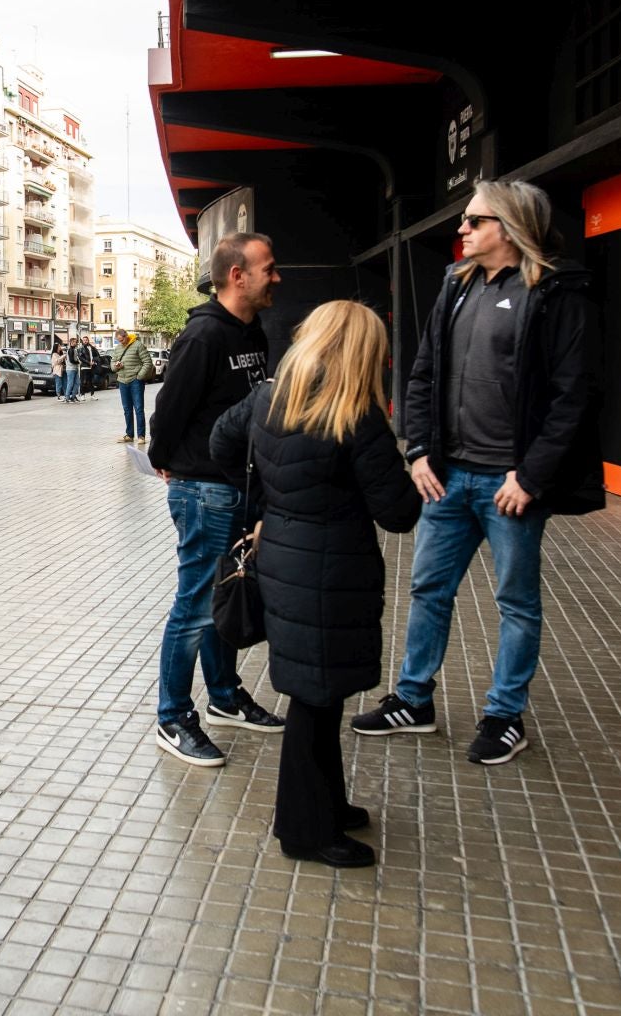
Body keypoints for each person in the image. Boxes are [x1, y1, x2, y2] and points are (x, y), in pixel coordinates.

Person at [353, 180, 602, 766]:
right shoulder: (456, 285)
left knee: (515, 601)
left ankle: (504, 716)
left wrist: (532, 475)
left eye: (473, 220)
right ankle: (413, 701)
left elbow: (574, 396)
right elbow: (421, 375)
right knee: (428, 589)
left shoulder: (556, 292)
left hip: (510, 485)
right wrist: (416, 453)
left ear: (511, 227)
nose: (460, 230)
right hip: (448, 477)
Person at [211, 300, 421, 868]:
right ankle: (303, 831)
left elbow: (220, 444)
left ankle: (326, 804)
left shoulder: (269, 395)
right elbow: (397, 511)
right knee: (313, 702)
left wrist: (268, 503)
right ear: (362, 351)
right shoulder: (355, 412)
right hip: (328, 570)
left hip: (284, 559)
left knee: (319, 695)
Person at [146, 232, 283, 766]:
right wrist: (168, 461)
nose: (277, 277)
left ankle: (225, 697)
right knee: (197, 605)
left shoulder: (254, 331)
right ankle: (173, 717)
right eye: (268, 269)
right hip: (203, 489)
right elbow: (168, 409)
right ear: (237, 275)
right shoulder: (203, 336)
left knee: (226, 596)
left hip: (238, 487)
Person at [113, 329, 152, 444]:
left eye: (122, 340)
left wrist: (139, 376)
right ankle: (129, 435)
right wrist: (116, 366)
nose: (122, 342)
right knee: (127, 409)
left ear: (126, 336)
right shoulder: (118, 348)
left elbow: (147, 362)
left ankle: (141, 436)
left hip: (135, 381)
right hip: (122, 381)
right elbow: (112, 363)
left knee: (139, 409)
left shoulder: (138, 345)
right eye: (119, 341)